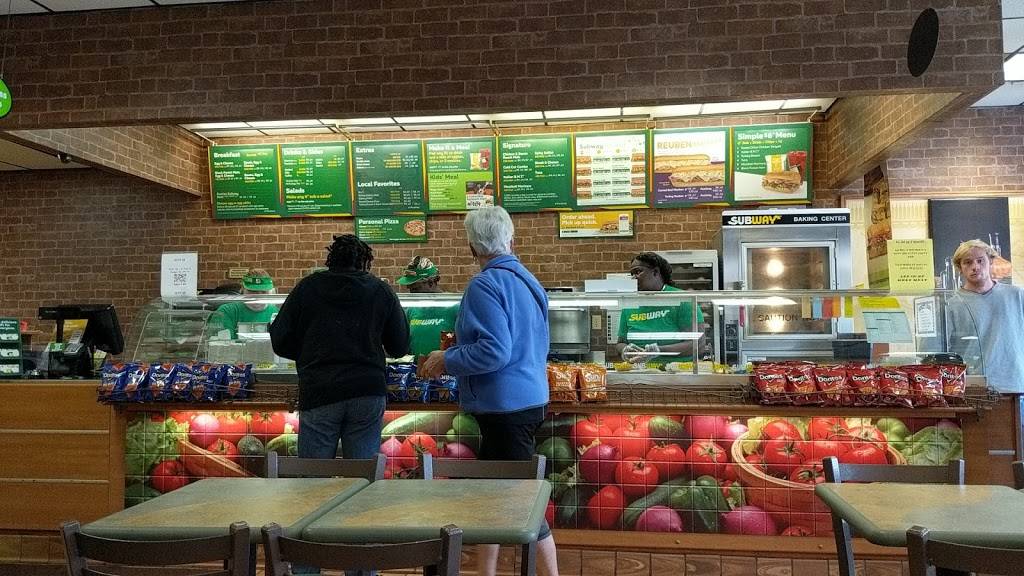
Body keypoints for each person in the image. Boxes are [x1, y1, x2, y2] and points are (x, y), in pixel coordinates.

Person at [420, 206, 559, 576]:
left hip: (504, 406)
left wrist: (446, 359)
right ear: (511, 240)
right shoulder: (528, 280)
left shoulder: (485, 285)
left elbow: (495, 351)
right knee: (495, 495)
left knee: (522, 501)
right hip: (529, 398)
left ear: (471, 248)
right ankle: (487, 572)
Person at [270, 235, 409, 461]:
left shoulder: (307, 287)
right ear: (365, 263)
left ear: (330, 260)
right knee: (363, 474)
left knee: (314, 475)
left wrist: (308, 354)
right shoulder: (380, 290)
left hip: (319, 389)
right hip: (367, 390)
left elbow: (280, 340)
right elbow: (399, 347)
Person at [946, 239, 1024, 392]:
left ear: (991, 261)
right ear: (959, 268)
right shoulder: (950, 305)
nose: (975, 266)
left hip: (1016, 386)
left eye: (980, 261)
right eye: (968, 262)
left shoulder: (1017, 296)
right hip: (974, 389)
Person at [615, 252, 704, 367]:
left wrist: (659, 350)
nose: (634, 277)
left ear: (655, 272)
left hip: (677, 370)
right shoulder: (630, 303)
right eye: (631, 274)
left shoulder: (682, 300)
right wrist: (625, 350)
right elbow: (620, 342)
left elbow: (699, 344)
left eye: (638, 272)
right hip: (639, 370)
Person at [396, 255, 459, 357]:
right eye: (410, 288)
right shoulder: (412, 309)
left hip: (445, 366)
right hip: (416, 366)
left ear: (431, 282)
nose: (412, 293)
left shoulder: (454, 307)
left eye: (416, 289)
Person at [214, 268, 279, 339]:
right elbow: (221, 343)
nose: (258, 296)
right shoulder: (226, 311)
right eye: (253, 291)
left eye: (264, 292)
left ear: (271, 292)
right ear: (242, 290)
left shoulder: (277, 313)